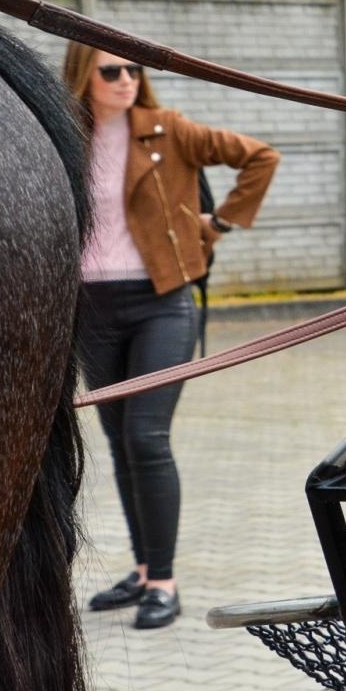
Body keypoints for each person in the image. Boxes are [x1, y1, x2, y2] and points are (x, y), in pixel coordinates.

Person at [68, 42, 279, 628]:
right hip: (93, 310)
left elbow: (259, 156)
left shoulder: (167, 130)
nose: (127, 79)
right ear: (83, 74)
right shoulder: (63, 136)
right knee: (117, 440)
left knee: (146, 437)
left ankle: (163, 581)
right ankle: (141, 572)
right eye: (112, 70)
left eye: (134, 68)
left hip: (163, 306)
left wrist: (220, 223)